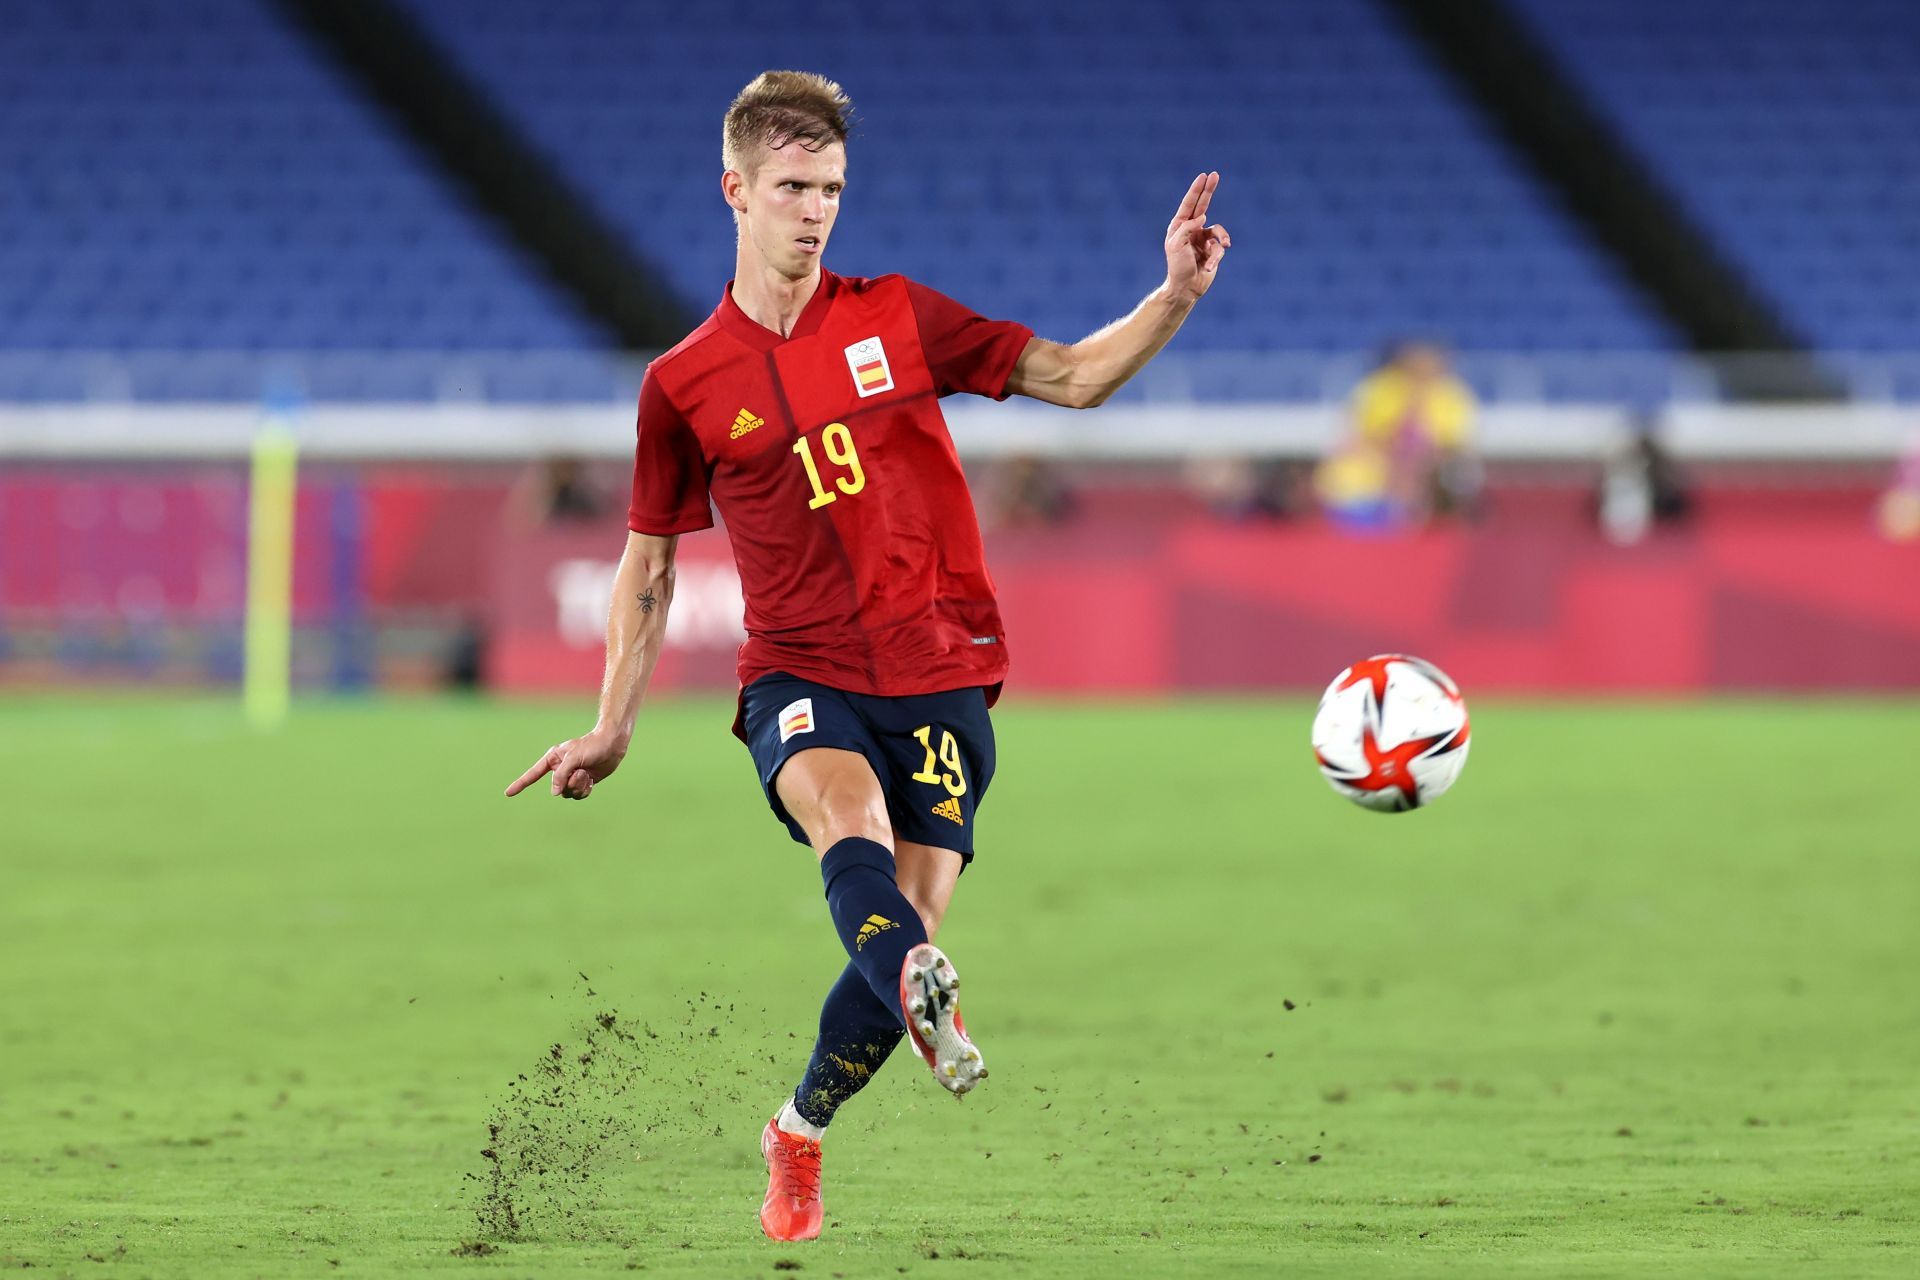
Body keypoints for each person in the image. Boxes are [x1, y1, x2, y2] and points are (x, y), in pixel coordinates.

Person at [502, 70, 1229, 1243]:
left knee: (905, 938)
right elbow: (647, 569)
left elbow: (1075, 376)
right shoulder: (682, 385)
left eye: (832, 187)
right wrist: (613, 722)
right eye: (793, 186)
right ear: (734, 190)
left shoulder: (898, 314)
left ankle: (797, 1128)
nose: (815, 209)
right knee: (853, 832)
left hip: (938, 663)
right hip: (797, 669)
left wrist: (1175, 296)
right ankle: (908, 981)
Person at [1316, 340, 1480, 529]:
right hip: (1382, 456)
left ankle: (1441, 515)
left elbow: (1456, 443)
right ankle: (1383, 516)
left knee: (1455, 471)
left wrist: (1422, 458)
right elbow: (1362, 434)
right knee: (1347, 469)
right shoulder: (1380, 389)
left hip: (1432, 462)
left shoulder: (1453, 394)